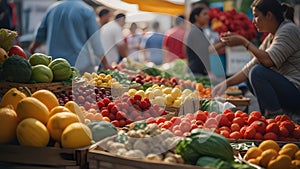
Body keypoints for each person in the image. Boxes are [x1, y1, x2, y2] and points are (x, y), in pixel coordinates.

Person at [212, 0, 300, 119]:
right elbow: (249, 67)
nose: (253, 21)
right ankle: (268, 115)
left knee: (257, 72)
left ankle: (274, 116)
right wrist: (224, 84)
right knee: (252, 73)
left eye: (256, 16)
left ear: (269, 15)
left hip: (295, 93)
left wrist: (244, 42)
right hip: (287, 91)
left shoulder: (289, 30)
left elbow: (268, 61)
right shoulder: (271, 36)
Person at [28, 0, 111, 74]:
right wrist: (106, 64)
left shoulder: (53, 9)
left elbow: (40, 35)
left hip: (55, 67)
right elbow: (95, 41)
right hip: (79, 65)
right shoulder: (86, 10)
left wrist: (32, 49)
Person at [185, 7, 224, 76]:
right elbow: (208, 50)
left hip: (197, 70)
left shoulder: (197, 31)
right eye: (204, 14)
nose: (208, 17)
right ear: (196, 17)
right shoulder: (195, 32)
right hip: (196, 72)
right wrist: (225, 42)